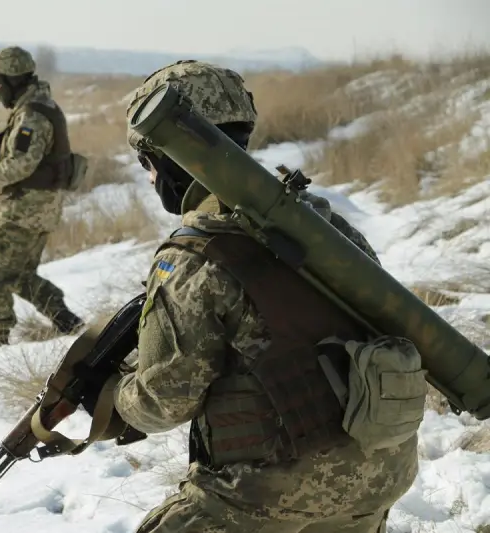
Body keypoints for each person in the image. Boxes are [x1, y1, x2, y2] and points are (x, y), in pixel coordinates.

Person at [109, 61, 420, 532]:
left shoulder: (194, 254)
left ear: (169, 156)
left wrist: (115, 395)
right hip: (379, 477)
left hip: (263, 495)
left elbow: (164, 402)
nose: (151, 179)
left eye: (147, 163)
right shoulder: (328, 227)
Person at [0, 45, 84, 348]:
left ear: (12, 79)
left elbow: (22, 164)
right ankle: (67, 321)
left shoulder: (32, 114)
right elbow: (25, 152)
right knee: (20, 276)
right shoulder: (36, 107)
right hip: (40, 207)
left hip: (28, 208)